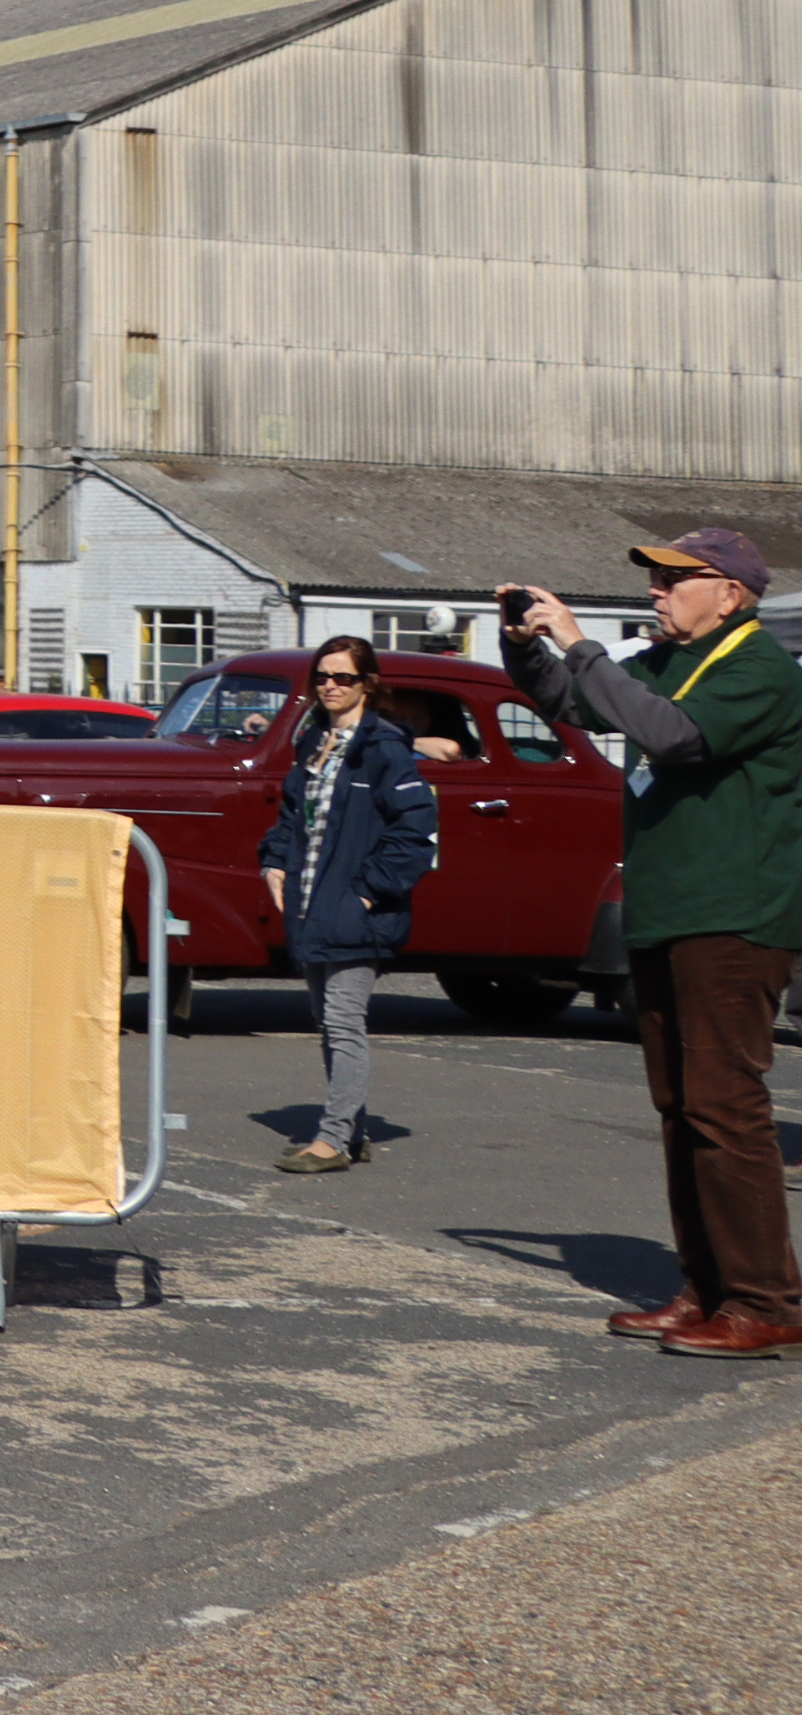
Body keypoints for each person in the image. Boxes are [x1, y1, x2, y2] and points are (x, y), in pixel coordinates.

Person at [501, 532, 802, 1361]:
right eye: (654, 578)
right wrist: (524, 643)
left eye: (674, 577)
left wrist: (578, 640)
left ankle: (765, 1300)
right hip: (668, 910)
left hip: (732, 914)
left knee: (725, 1106)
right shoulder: (670, 662)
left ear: (731, 593)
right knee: (682, 1106)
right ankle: (707, 1285)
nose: (656, 590)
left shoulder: (760, 669)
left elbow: (671, 737)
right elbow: (574, 701)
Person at [256, 635, 436, 1175]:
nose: (331, 686)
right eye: (323, 677)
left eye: (344, 677)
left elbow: (416, 831)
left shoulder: (385, 749)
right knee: (326, 1022)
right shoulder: (313, 741)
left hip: (355, 911)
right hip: (311, 904)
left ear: (368, 684)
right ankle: (350, 1131)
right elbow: (292, 814)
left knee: (342, 1022)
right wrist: (274, 862)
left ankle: (333, 1139)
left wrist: (366, 891)